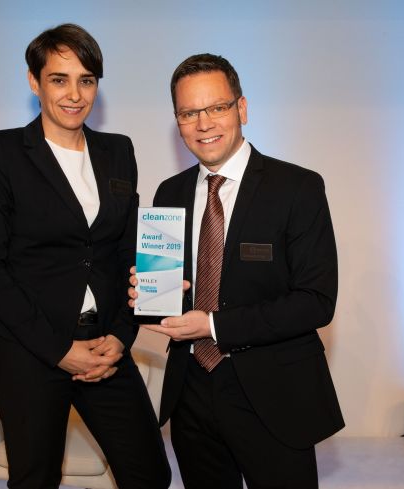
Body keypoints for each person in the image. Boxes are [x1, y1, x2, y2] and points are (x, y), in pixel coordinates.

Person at [0, 24, 170, 489]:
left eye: (87, 79)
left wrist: (121, 334)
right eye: (59, 79)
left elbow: (126, 252)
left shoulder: (118, 151)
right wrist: (59, 351)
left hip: (104, 346)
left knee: (150, 474)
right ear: (34, 82)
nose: (75, 94)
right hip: (31, 350)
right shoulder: (1, 151)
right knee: (35, 479)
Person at [129, 54, 344, 488]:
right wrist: (146, 294)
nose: (203, 123)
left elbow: (316, 301)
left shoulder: (298, 188)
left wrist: (211, 324)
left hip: (273, 392)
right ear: (178, 121)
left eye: (217, 108)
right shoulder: (168, 192)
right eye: (189, 113)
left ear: (241, 109)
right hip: (190, 390)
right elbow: (173, 289)